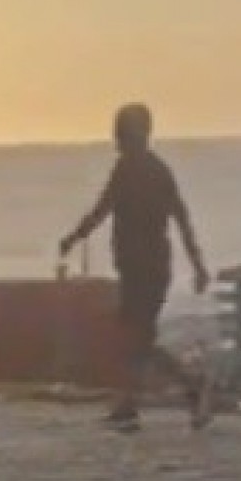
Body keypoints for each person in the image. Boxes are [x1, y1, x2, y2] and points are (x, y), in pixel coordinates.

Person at [60, 103, 212, 430]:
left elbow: (177, 216)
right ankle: (133, 400)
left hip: (149, 267)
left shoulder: (146, 170)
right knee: (133, 336)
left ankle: (191, 387)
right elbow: (107, 209)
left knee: (138, 338)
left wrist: (199, 264)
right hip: (137, 266)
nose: (117, 140)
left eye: (122, 133)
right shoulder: (134, 168)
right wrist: (75, 237)